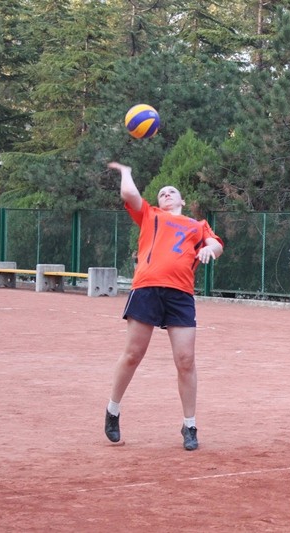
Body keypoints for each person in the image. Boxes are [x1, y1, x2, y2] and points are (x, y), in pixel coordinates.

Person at [103, 162, 224, 451]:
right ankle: (112, 410)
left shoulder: (197, 225)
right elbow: (129, 195)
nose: (167, 194)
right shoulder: (150, 215)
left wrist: (209, 248)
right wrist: (126, 172)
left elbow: (217, 246)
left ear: (182, 200)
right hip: (147, 288)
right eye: (162, 193)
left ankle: (189, 425)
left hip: (180, 294)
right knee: (133, 354)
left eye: (172, 191)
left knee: (185, 360)